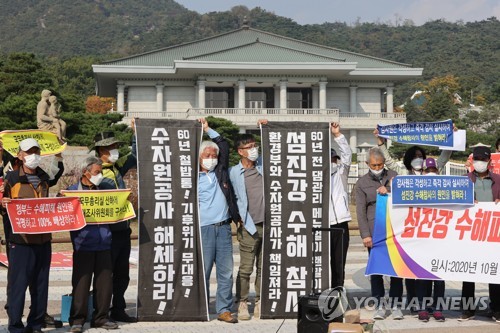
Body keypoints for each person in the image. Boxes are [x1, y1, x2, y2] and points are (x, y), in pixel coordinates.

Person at [374, 130, 453, 314]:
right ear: (410, 159)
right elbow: (391, 161)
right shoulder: (403, 174)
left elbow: (443, 158)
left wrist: (451, 140)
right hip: (409, 227)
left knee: (428, 267)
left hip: (430, 226)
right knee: (411, 269)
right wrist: (380, 144)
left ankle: (429, 304)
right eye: (415, 156)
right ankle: (413, 303)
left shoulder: (432, 173)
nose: (419, 159)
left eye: (421, 156)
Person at [1, 138, 54, 333]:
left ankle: (36, 324)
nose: (33, 156)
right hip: (20, 241)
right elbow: (1, 205)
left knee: (41, 286)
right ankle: (15, 326)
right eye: (29, 152)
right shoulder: (11, 178)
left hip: (43, 239)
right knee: (18, 286)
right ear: (20, 155)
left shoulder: (44, 177)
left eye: (36, 152)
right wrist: (3, 203)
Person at [92, 123, 137, 323]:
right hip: (105, 231)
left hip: (123, 230)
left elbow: (136, 156)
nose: (115, 151)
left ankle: (118, 308)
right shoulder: (96, 172)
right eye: (111, 148)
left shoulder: (117, 167)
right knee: (104, 275)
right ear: (101, 151)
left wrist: (136, 133)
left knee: (122, 273)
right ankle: (100, 312)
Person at [67, 157, 118, 332]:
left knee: (104, 285)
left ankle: (101, 317)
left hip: (104, 243)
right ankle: (77, 320)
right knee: (81, 284)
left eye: (101, 172)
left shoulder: (105, 190)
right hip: (83, 245)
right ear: (85, 172)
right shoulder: (72, 192)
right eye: (97, 172)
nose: (100, 175)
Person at [198, 118, 240, 324]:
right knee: (203, 271)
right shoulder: (191, 177)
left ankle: (224, 309)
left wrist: (208, 129)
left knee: (226, 272)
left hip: (223, 228)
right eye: (207, 156)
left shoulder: (219, 171)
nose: (211, 159)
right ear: (198, 158)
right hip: (203, 229)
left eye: (214, 156)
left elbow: (223, 145)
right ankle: (203, 307)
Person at [355, 147, 403, 320]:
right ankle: (379, 304)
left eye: (380, 164)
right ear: (367, 164)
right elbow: (360, 212)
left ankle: (396, 304)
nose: (377, 168)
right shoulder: (361, 183)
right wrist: (365, 235)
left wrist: (389, 190)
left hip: (394, 230)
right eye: (374, 165)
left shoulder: (394, 176)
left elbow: (404, 196)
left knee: (395, 268)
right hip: (374, 232)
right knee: (376, 270)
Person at [459, 146, 500, 322]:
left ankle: (497, 309)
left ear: (489, 162)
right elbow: (456, 202)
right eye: (477, 159)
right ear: (472, 161)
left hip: (492, 233)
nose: (480, 163)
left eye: (483, 160)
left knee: (495, 272)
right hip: (470, 233)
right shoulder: (465, 180)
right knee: (469, 273)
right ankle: (468, 310)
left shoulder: (498, 180)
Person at [229, 123, 265, 320]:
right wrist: (237, 218)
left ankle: (260, 301)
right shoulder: (234, 172)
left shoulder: (263, 166)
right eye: (249, 147)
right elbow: (231, 197)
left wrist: (264, 129)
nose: (253, 150)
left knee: (263, 267)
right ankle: (242, 302)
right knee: (245, 268)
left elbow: (274, 145)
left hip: (268, 223)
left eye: (254, 145)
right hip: (248, 226)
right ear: (240, 151)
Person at [415, 158, 446, 322]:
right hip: (421, 237)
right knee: (422, 276)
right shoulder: (415, 190)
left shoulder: (445, 190)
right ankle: (422, 307)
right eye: (428, 171)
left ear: (438, 172)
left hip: (440, 238)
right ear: (423, 172)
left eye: (433, 170)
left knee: (439, 277)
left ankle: (438, 308)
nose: (431, 173)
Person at [329, 122, 352, 291]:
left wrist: (337, 135)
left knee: (339, 261)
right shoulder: (314, 176)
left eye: (334, 159)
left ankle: (338, 291)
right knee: (321, 261)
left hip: (341, 223)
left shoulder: (341, 172)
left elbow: (347, 154)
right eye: (328, 159)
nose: (332, 162)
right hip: (321, 224)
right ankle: (322, 292)